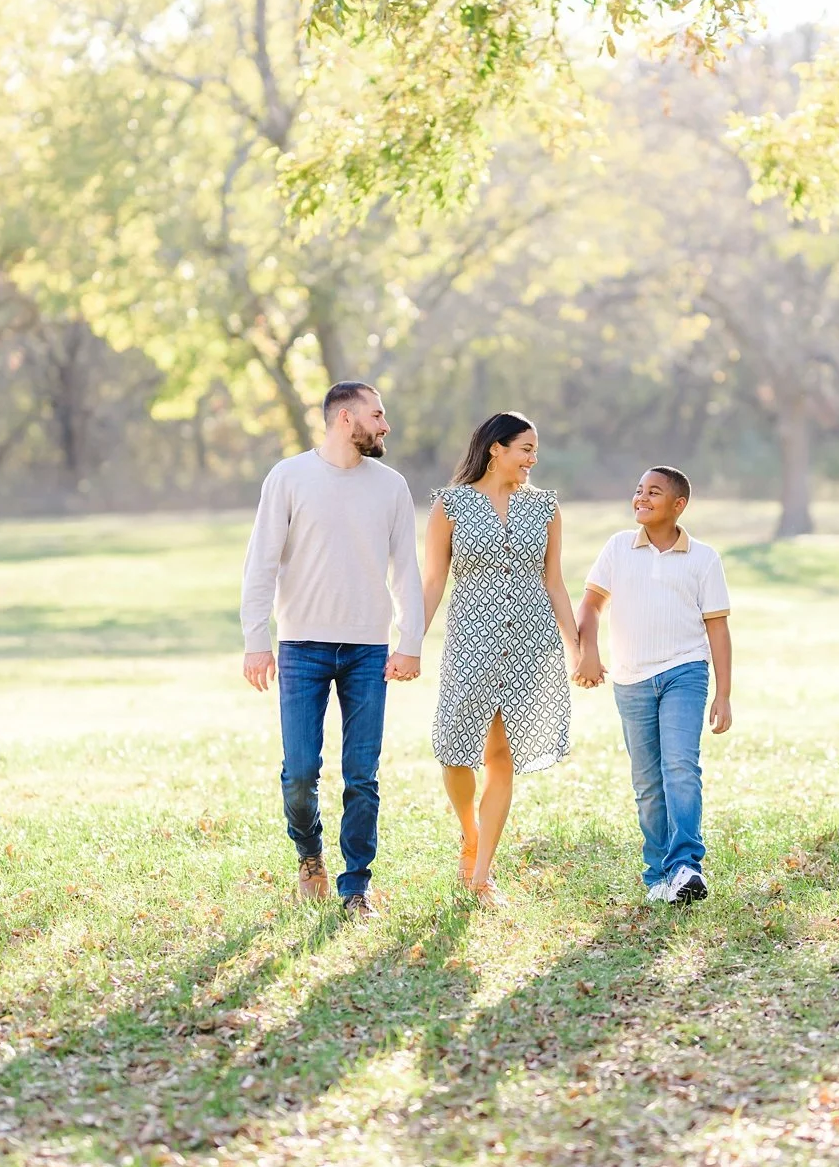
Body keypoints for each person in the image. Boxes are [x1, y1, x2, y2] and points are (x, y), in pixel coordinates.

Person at [240, 381, 423, 920]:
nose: (385, 425)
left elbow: (406, 569)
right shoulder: (289, 477)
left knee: (362, 773)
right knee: (300, 771)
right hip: (301, 647)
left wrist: (409, 641)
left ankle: (356, 884)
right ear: (346, 418)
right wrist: (257, 642)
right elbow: (261, 563)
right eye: (378, 414)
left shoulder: (391, 487)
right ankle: (309, 855)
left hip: (369, 648)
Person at [422, 412, 580, 908]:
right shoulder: (452, 505)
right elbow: (432, 582)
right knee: (455, 754)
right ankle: (469, 832)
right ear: (495, 449)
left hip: (531, 645)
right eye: (525, 449)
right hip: (471, 642)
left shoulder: (545, 508)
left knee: (501, 757)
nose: (533, 459)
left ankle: (483, 873)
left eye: (535, 451)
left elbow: (554, 582)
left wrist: (578, 649)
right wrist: (407, 644)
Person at [574, 466, 732, 905]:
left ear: (678, 505)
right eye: (639, 490)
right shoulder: (617, 548)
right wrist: (587, 652)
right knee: (647, 781)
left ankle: (686, 866)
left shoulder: (703, 558)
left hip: (686, 671)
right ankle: (658, 875)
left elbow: (717, 629)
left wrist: (723, 693)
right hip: (631, 678)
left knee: (680, 767)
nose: (641, 498)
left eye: (654, 492)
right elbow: (590, 605)